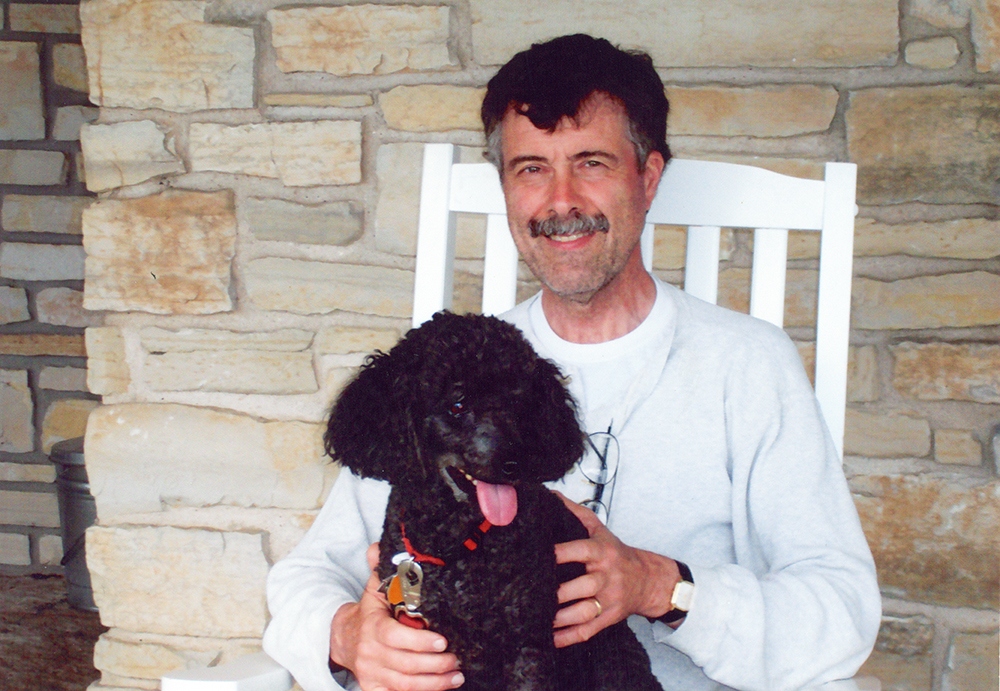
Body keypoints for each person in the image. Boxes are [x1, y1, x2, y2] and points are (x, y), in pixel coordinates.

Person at [263, 34, 881, 691]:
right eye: (531, 168)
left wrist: (663, 588)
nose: (561, 200)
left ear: (648, 177)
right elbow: (308, 575)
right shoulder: (452, 372)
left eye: (590, 163)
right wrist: (348, 637)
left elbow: (841, 612)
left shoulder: (748, 365)